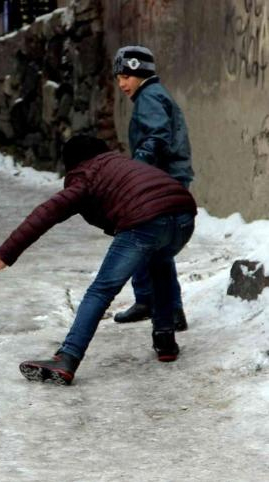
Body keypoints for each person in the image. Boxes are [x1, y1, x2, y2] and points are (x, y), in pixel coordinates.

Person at [0, 135, 196, 385]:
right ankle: (165, 339)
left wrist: (6, 252)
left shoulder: (86, 176)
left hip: (145, 221)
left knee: (101, 290)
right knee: (160, 264)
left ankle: (68, 357)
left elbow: (47, 212)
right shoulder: (121, 165)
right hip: (183, 215)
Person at [112, 45, 194, 331]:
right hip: (167, 179)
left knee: (151, 244)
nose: (121, 84)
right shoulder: (153, 95)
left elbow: (157, 136)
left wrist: (137, 173)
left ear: (140, 72)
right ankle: (158, 305)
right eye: (118, 78)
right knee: (153, 246)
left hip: (161, 181)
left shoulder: (149, 97)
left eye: (126, 76)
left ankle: (163, 308)